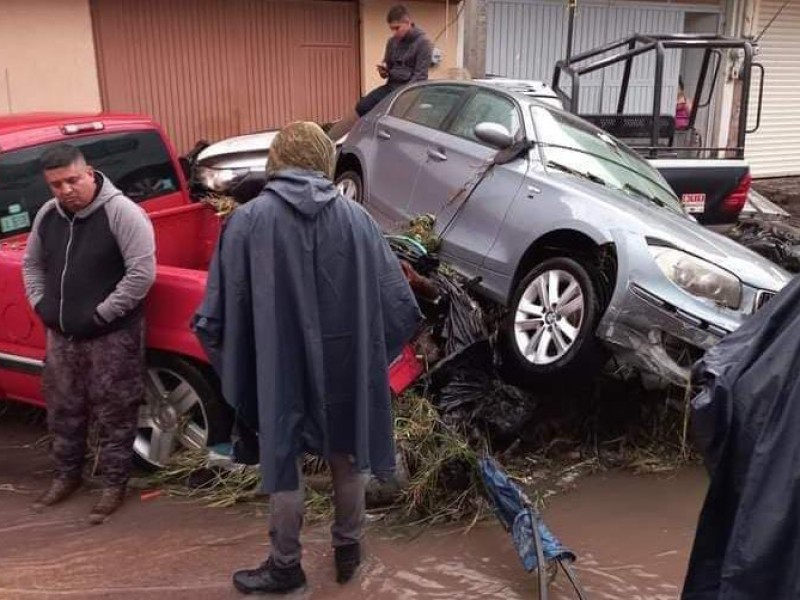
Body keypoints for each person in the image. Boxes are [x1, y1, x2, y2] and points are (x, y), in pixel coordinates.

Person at [193, 122, 422, 594]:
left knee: (283, 462)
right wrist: (367, 360)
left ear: (276, 161)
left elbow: (216, 317)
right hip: (346, 365)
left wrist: (242, 370)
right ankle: (348, 551)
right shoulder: (359, 220)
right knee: (348, 454)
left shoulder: (247, 221)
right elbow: (400, 307)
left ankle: (285, 569)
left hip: (276, 368)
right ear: (324, 161)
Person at [23, 144, 156, 524]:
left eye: (72, 180)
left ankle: (114, 484)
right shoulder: (48, 216)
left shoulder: (122, 213)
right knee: (63, 408)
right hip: (62, 336)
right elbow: (32, 265)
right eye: (55, 184)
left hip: (111, 335)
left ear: (90, 173)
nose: (65, 190)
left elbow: (141, 275)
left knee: (115, 410)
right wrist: (39, 304)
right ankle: (66, 476)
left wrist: (101, 315)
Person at [327, 4, 433, 140]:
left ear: (408, 22)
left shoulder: (424, 43)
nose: (394, 33)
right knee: (363, 105)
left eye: (397, 28)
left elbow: (420, 78)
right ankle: (327, 141)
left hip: (410, 93)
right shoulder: (392, 42)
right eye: (391, 29)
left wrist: (401, 97)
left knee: (390, 123)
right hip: (390, 87)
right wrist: (384, 71)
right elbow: (388, 68)